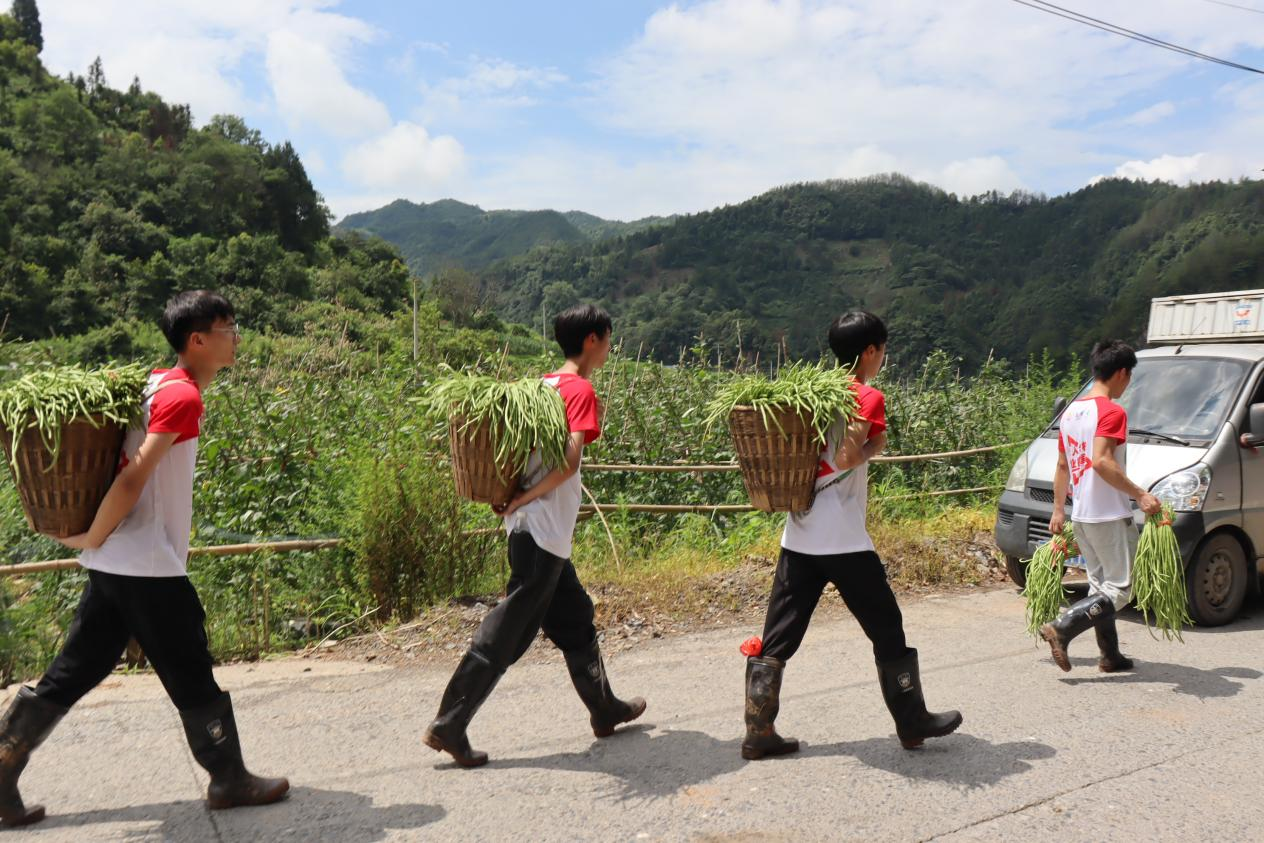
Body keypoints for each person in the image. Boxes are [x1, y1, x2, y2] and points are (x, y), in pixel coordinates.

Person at [0, 291, 289, 829]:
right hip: (145, 564)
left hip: (117, 563)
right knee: (192, 671)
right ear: (197, 340)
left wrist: (97, 544)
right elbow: (133, 477)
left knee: (73, 671)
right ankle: (229, 779)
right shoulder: (182, 396)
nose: (236, 338)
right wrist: (91, 537)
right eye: (228, 328)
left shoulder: (155, 383)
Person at [424, 304, 645, 768]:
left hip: (535, 532)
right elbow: (568, 462)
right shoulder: (579, 389)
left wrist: (511, 496)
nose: (609, 347)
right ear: (592, 340)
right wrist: (523, 498)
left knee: (576, 617)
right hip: (542, 532)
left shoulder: (540, 387)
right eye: (608, 338)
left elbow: (514, 455)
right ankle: (450, 723)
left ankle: (604, 708)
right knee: (509, 630)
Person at [741, 310, 962, 760]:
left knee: (779, 636)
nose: (882, 358)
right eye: (882, 351)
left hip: (799, 536)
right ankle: (912, 721)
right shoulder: (866, 395)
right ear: (869, 351)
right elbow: (845, 456)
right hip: (843, 540)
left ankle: (758, 731)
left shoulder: (809, 395)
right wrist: (875, 445)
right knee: (887, 628)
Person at [1041, 339, 1161, 672]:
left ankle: (1110, 656)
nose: (1128, 383)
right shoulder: (1112, 411)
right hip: (1108, 515)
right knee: (1123, 587)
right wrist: (1141, 495)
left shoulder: (1070, 412)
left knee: (1100, 586)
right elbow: (1102, 461)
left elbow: (1063, 466)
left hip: (1082, 515)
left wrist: (1058, 510)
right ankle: (1062, 627)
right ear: (1122, 372)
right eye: (1129, 376)